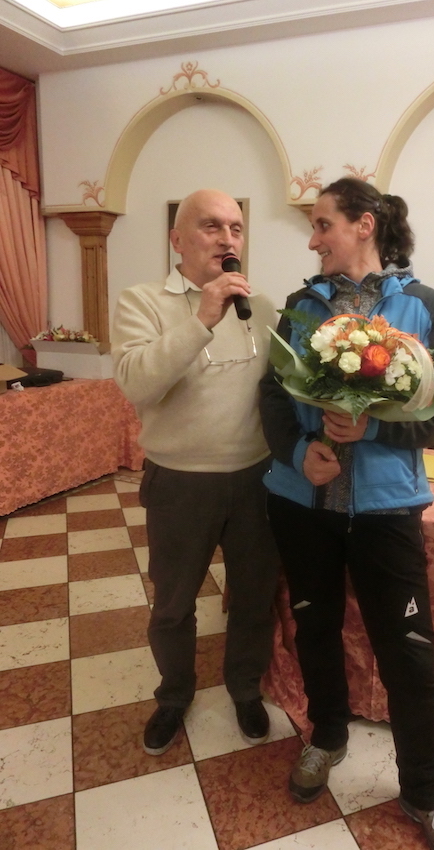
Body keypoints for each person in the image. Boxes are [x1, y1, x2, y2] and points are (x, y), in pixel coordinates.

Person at [260, 178, 434, 850]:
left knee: (409, 650)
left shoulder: (423, 306)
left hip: (387, 509)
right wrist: (301, 453)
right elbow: (272, 398)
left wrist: (373, 429)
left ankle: (424, 791)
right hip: (303, 506)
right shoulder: (301, 307)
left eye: (323, 224)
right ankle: (327, 735)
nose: (313, 239)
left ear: (364, 224)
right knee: (315, 629)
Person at [112, 189, 280, 756]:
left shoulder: (262, 307)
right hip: (180, 481)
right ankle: (174, 695)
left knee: (253, 597)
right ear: (177, 239)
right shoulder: (141, 301)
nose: (227, 238)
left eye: (236, 228)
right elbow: (136, 383)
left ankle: (245, 688)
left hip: (257, 478)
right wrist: (204, 317)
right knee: (173, 603)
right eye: (212, 226)